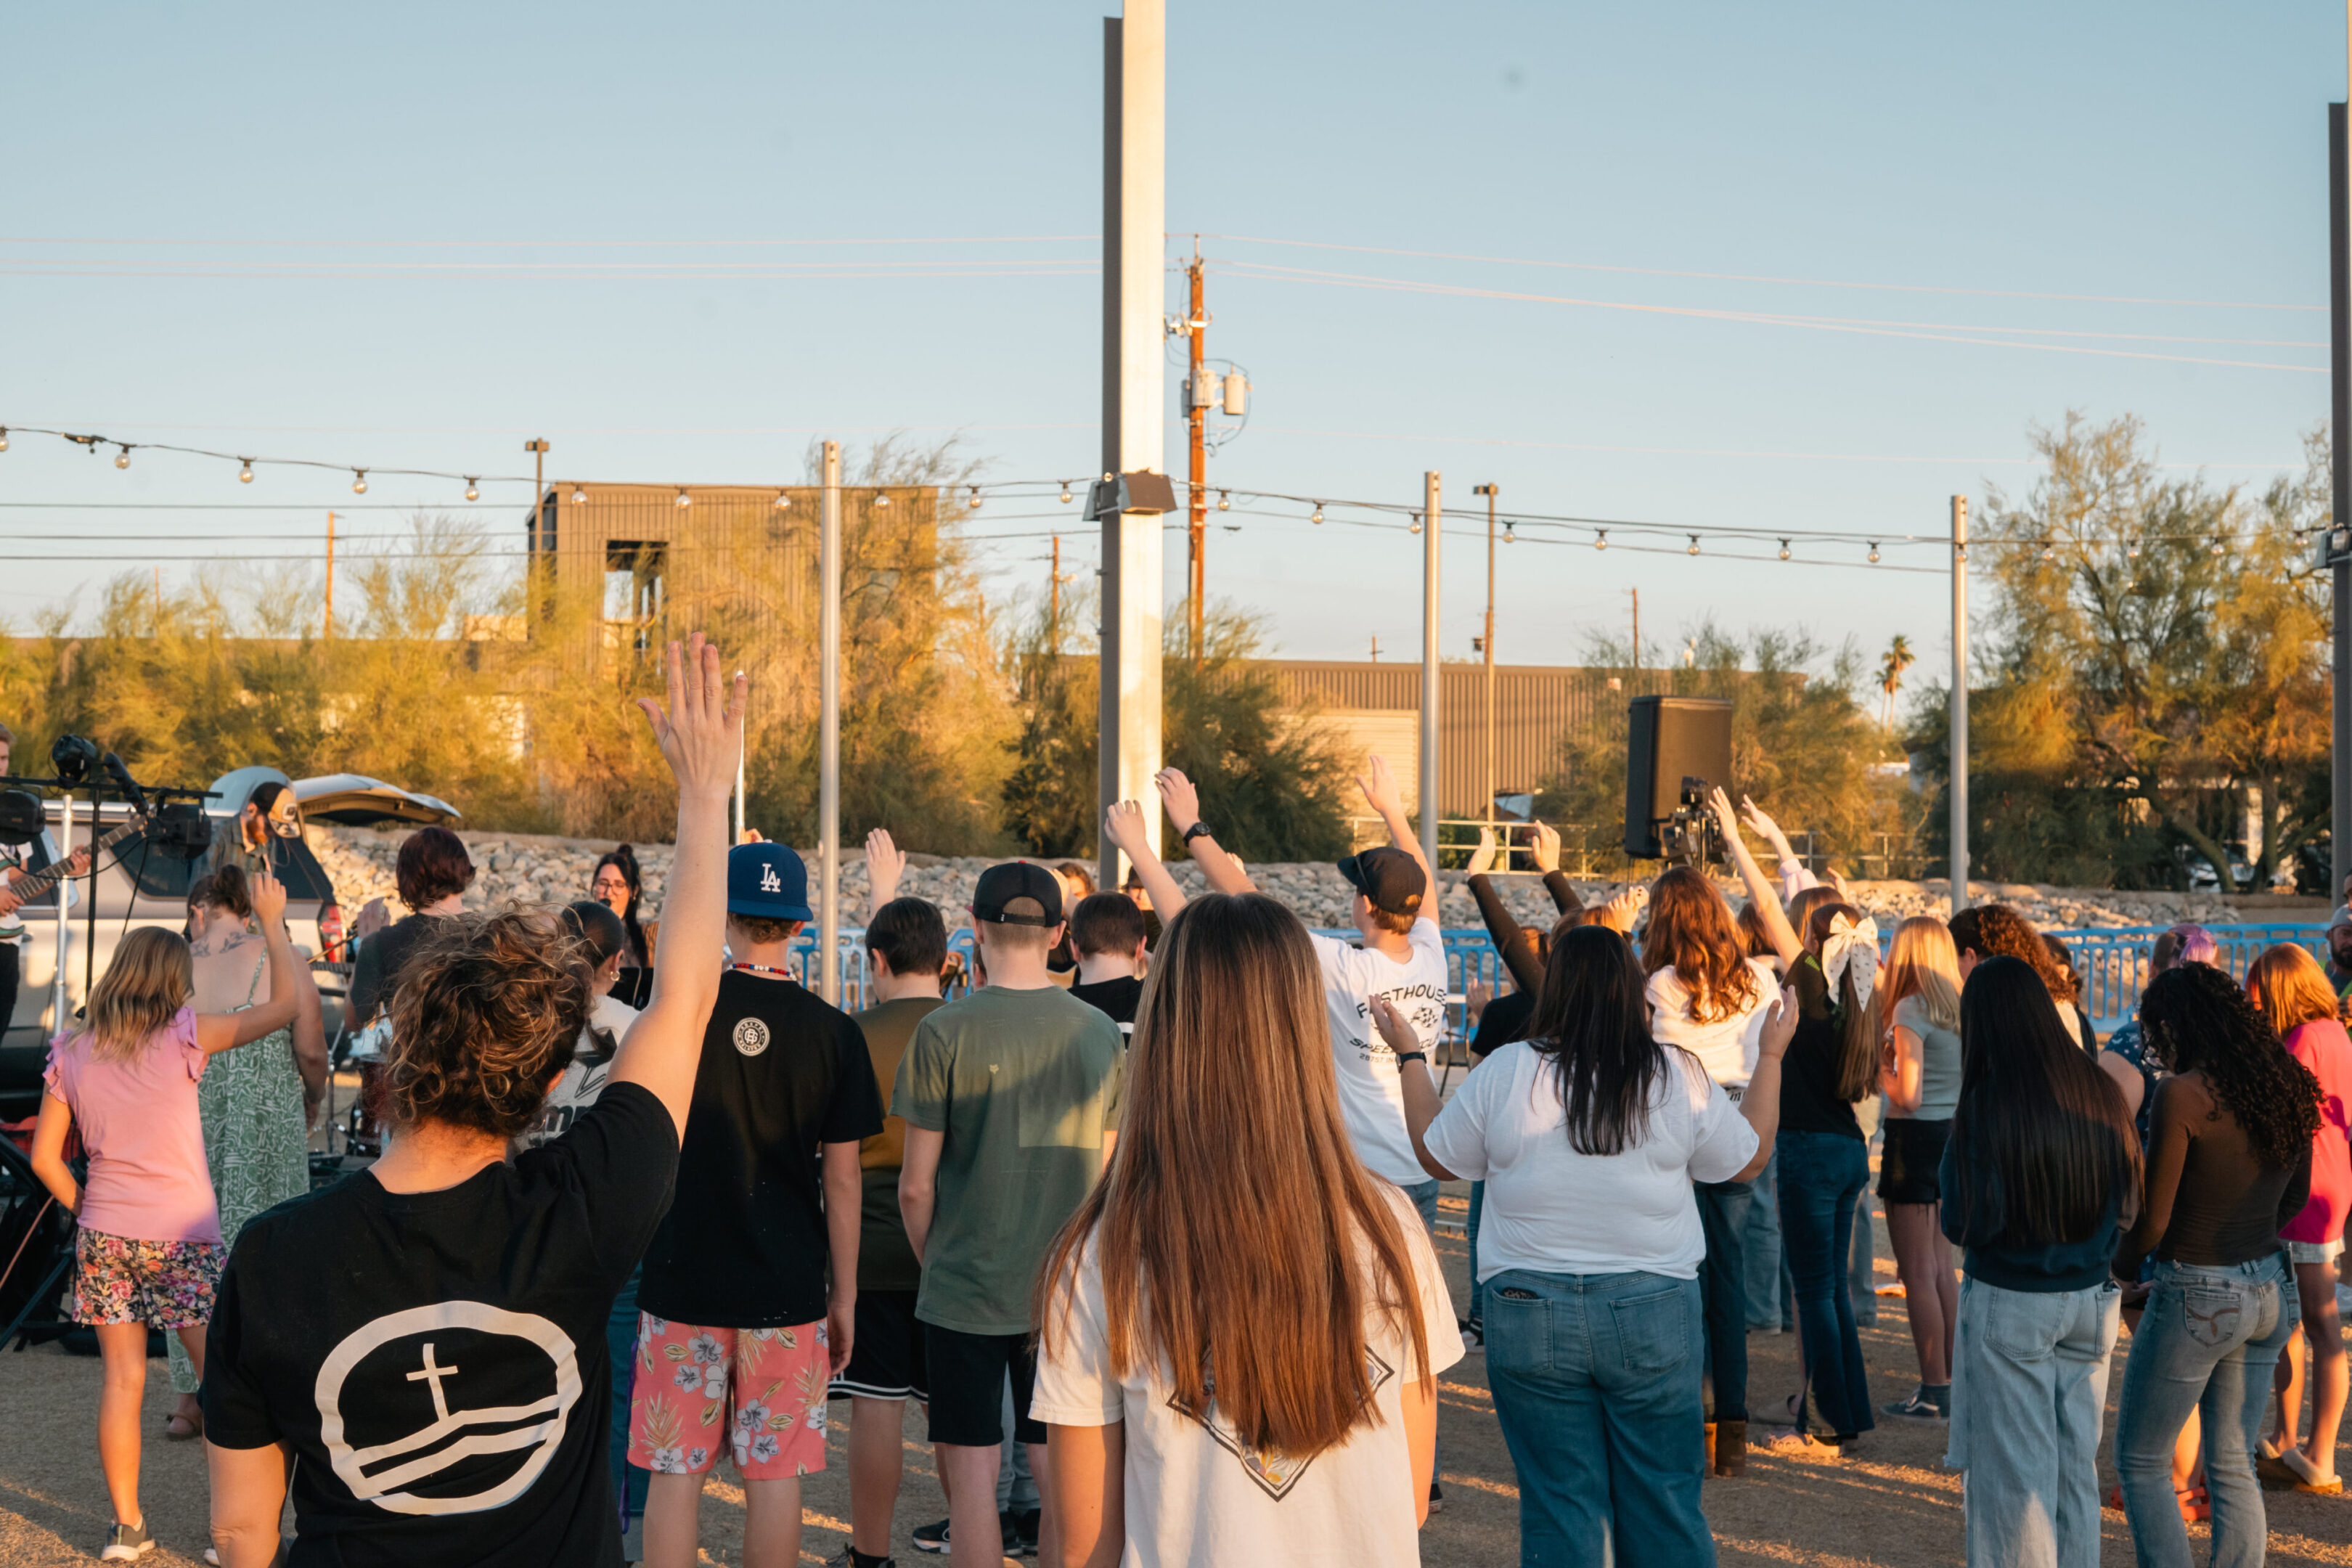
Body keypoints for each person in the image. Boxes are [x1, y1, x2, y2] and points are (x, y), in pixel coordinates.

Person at [198, 634, 743, 1568]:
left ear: (401, 1051)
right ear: (542, 1081)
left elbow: (240, 1531)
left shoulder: (275, 1256)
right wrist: (704, 797)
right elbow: (685, 1002)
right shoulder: (584, 1207)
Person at [1032, 890, 1459, 1568]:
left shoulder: (1097, 1256)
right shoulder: (1392, 1230)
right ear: (1303, 1028)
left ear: (1163, 1028)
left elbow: (1085, 1546)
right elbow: (1406, 1500)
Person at [1396, 920, 1792, 1565]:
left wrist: (1411, 1056)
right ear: (1631, 989)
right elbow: (1745, 1160)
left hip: (1527, 1306)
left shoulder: (1506, 1071)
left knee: (1559, 1506)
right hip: (1653, 1305)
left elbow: (1437, 1154)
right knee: (1663, 1501)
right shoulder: (1673, 1073)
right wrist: (1770, 1057)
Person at [28, 875, 303, 1564]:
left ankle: (127, 1530)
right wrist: (271, 921)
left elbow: (44, 1160)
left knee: (123, 1382)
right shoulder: (187, 1037)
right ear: (169, 981)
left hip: (107, 1236)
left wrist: (87, 1211)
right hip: (182, 1236)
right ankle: (243, 1534)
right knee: (222, 1386)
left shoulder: (72, 1050)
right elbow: (288, 1005)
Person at [631, 838, 882, 1568]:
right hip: (788, 1283)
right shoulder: (835, 1033)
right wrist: (848, 1293)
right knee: (773, 1475)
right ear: (800, 925)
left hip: (685, 1273)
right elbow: (842, 1181)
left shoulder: (680, 1018)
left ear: (723, 919)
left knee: (676, 1471)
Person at [893, 860, 1124, 1568]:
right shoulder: (1098, 1034)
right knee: (1063, 1483)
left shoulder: (943, 1031)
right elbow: (1106, 1181)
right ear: (1060, 933)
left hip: (964, 1282)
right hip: (1066, 1292)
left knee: (971, 1491)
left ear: (973, 925)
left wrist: (942, 1262)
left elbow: (915, 1187)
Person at [2110, 963, 2319, 1568]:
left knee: (2143, 1461)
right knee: (2231, 1461)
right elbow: (2297, 1198)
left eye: (2157, 1034)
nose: (2156, 1048)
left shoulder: (2184, 1094)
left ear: (2180, 1027)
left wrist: (2121, 1273)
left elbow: (2153, 1219)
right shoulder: (2286, 1081)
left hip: (2198, 1286)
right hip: (2270, 1285)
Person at [1937, 957, 2140, 1568]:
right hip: (2090, 1300)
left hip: (2014, 1300)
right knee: (2072, 1473)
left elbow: (1961, 1220)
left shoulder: (1989, 1104)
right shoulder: (2099, 1088)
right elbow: (2130, 1201)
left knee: (2015, 1485)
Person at [1639, 788, 1802, 1474]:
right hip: (1740, 1128)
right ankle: (1729, 1431)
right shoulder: (1759, 980)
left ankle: (1686, 1418)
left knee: (1676, 1277)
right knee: (1728, 1284)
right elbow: (1771, 920)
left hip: (1676, 1136)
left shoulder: (1655, 985)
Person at [163, 865, 330, 1440]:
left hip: (190, 1119)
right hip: (265, 1122)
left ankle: (190, 1399)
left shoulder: (177, 964)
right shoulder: (278, 955)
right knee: (265, 1246)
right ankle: (262, 1388)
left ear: (197, 911)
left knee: (191, 1247)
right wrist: (313, 1097)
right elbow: (310, 1048)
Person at [833, 828, 952, 1568]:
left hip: (872, 1250)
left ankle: (870, 1557)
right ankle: (967, 1533)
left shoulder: (852, 1037)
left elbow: (835, 1162)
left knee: (876, 1408)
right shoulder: (966, 1029)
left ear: (873, 961)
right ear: (948, 961)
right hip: (950, 1249)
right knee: (954, 1417)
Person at [1767, 895, 1883, 1451]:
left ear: (1813, 943)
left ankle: (1822, 1425)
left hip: (1808, 1151)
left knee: (1814, 1294)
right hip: (1846, 1149)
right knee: (1831, 1291)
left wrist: (1741, 840)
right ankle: (1847, 1413)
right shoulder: (1860, 994)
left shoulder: (1812, 986)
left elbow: (1767, 908)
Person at [2244, 944, 2351, 1496]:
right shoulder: (2334, 1031)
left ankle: (2320, 1454)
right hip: (2330, 1180)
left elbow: (2281, 1116)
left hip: (2306, 1193)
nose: (2252, 999)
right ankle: (2293, 1441)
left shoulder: (2305, 1039)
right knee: (2297, 1322)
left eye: (2258, 989)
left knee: (2318, 1322)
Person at [1874, 915, 1963, 1423]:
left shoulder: (1911, 1008)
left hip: (1914, 1139)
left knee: (1917, 1272)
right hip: (1950, 1135)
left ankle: (1934, 1386)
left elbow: (1906, 1094)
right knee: (1942, 1269)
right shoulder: (1960, 1006)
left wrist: (1880, 1064)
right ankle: (1952, 1378)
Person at [346, 825, 475, 1026]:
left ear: (406, 879)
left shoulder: (381, 943)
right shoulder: (490, 935)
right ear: (464, 869)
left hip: (412, 1056)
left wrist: (366, 944)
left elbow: (355, 1020)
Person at [1949, 904, 2095, 1051]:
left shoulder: (2009, 1011)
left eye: (1952, 959)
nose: (1950, 971)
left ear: (1970, 955)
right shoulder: (2047, 998)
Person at [1066, 892, 1149, 1034]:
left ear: (1074, 949)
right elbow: (1175, 968)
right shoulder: (1155, 1002)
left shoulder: (1053, 1009)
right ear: (1141, 948)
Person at [592, 846, 658, 1008]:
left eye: (619, 885)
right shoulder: (578, 930)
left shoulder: (648, 936)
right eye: (603, 883)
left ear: (634, 890)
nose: (609, 892)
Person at [202, 779, 303, 883]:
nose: (272, 835)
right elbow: (201, 894)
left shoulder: (269, 843)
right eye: (268, 826)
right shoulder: (217, 838)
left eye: (277, 831)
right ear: (252, 809)